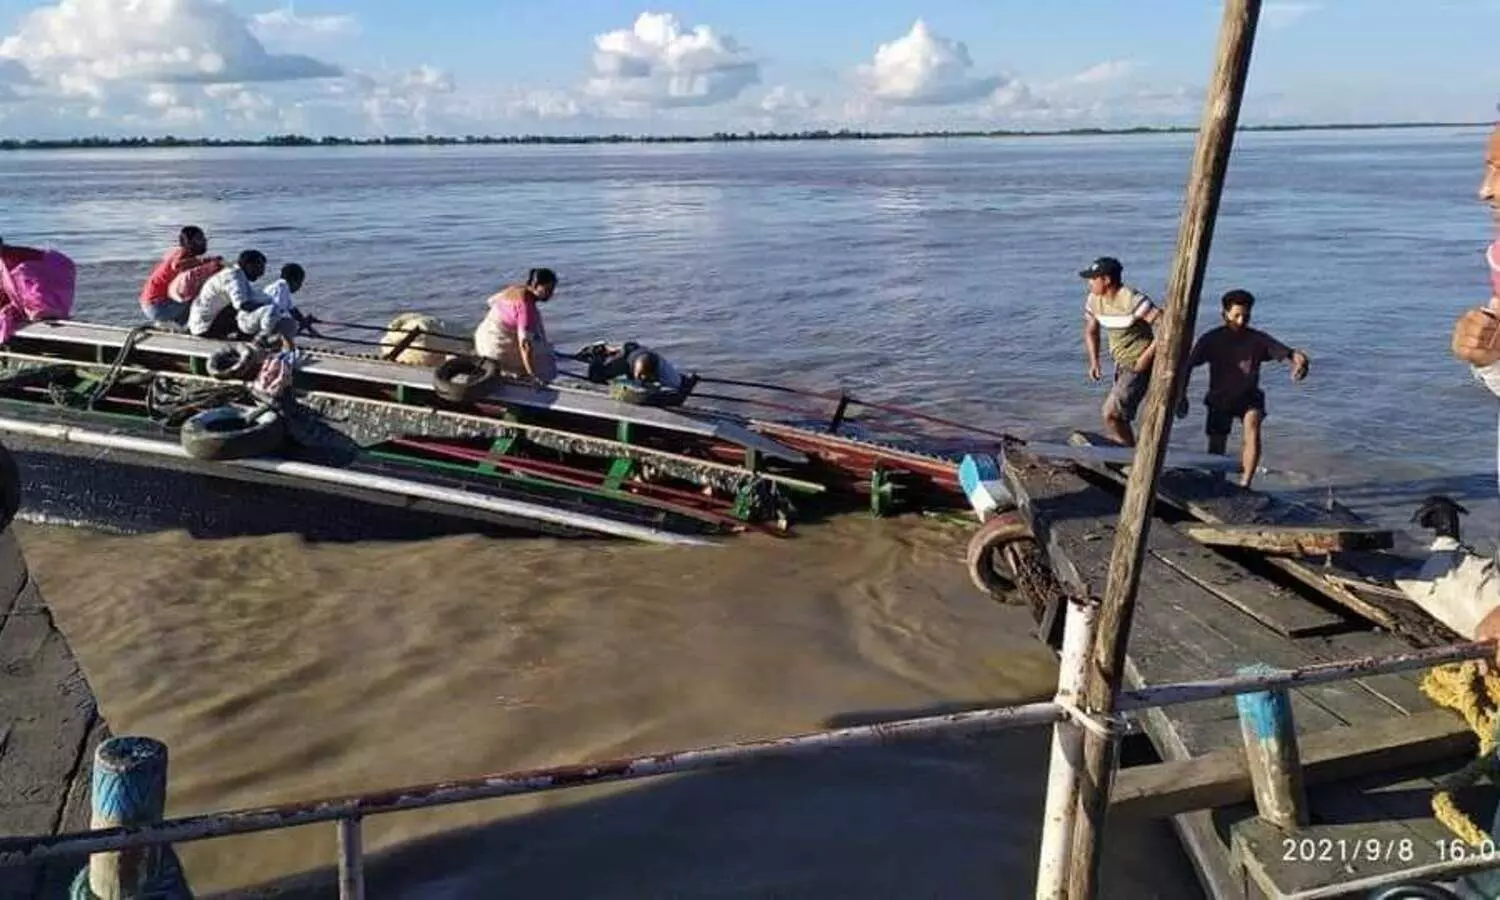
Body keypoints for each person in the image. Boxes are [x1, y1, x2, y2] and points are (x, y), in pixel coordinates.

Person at [1176, 289, 1310, 488]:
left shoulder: (1257, 339)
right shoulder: (1211, 339)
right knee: (1216, 443)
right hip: (1220, 397)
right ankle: (1216, 480)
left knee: (1253, 426)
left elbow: (1291, 353)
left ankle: (1245, 483)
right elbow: (1186, 366)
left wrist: (1301, 362)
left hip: (1248, 396)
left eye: (1245, 317)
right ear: (1224, 315)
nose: (1240, 321)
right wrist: (1181, 394)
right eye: (1236, 316)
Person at [1080, 256, 1161, 446]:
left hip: (1138, 364)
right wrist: (1094, 361)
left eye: (1093, 279)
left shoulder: (1132, 300)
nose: (1089, 283)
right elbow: (1091, 330)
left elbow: (1165, 326)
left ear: (1106, 280)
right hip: (1121, 363)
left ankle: (1128, 455)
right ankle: (1128, 452)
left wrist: (1146, 357)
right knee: (1119, 415)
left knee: (1111, 413)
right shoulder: (1094, 300)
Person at [474, 267, 558, 384]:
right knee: (544, 360)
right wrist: (532, 375)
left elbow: (490, 301)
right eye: (547, 290)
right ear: (535, 285)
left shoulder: (514, 289)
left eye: (552, 290)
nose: (551, 294)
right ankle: (530, 379)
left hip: (482, 338)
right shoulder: (525, 308)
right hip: (495, 349)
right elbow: (525, 345)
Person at [139, 226, 221, 326]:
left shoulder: (176, 252)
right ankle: (191, 326)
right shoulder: (182, 254)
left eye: (204, 238)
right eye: (200, 239)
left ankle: (178, 324)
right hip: (159, 306)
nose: (204, 241)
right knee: (202, 296)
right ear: (189, 242)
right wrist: (204, 262)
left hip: (149, 305)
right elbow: (177, 265)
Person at [238, 263, 319, 350]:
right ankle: (262, 342)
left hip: (255, 320)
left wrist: (309, 328)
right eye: (300, 282)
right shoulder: (281, 288)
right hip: (249, 322)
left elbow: (294, 312)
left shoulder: (282, 288)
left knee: (289, 324)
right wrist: (301, 327)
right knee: (288, 324)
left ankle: (269, 341)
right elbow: (274, 314)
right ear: (294, 280)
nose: (300, 286)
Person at [189, 249, 267, 339]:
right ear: (249, 265)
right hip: (205, 327)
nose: (262, 273)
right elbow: (242, 304)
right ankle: (245, 338)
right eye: (259, 268)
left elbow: (253, 297)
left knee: (255, 307)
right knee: (248, 312)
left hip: (203, 323)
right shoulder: (234, 276)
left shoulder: (237, 274)